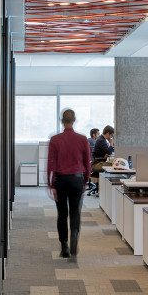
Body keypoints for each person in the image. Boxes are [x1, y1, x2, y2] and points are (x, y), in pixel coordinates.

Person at [47, 109, 91, 259]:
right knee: (74, 211)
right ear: (74, 120)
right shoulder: (82, 138)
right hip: (77, 179)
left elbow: (50, 164)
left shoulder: (55, 139)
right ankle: (74, 237)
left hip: (61, 180)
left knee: (62, 214)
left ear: (62, 120)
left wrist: (51, 184)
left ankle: (64, 246)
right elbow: (88, 162)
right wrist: (86, 180)